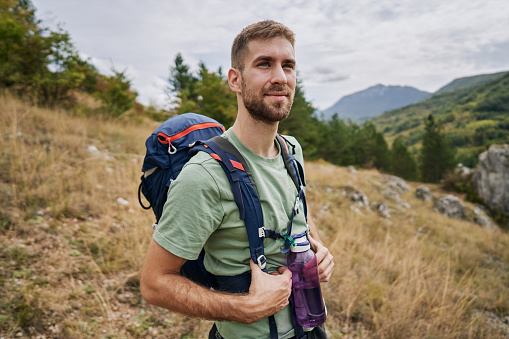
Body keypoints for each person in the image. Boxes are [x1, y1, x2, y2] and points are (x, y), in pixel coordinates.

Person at [140, 20, 334, 339]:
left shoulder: (291, 150)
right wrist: (246, 308)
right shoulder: (206, 175)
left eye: (288, 65)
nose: (280, 77)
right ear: (235, 80)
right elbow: (154, 283)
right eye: (264, 64)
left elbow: (298, 211)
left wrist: (317, 247)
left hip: (312, 330)